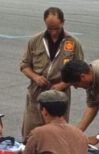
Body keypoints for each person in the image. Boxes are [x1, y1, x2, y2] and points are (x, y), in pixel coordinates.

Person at [20, 7, 84, 141]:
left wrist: (63, 84)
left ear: (63, 22)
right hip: (36, 94)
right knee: (31, 136)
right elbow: (24, 65)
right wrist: (35, 77)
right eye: (50, 29)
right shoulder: (35, 41)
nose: (53, 32)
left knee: (57, 137)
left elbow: (80, 71)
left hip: (59, 96)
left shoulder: (73, 43)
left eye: (56, 28)